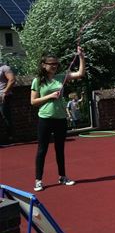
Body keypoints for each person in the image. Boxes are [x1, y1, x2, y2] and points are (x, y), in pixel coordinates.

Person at [31, 47, 86, 191]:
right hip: (45, 119)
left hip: (60, 118)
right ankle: (38, 180)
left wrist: (81, 57)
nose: (54, 66)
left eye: (56, 63)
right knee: (42, 150)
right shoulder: (38, 81)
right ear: (44, 65)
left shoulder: (61, 77)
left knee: (60, 149)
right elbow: (33, 101)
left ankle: (62, 176)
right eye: (51, 64)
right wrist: (50, 96)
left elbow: (80, 73)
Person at [0, 62, 16, 144]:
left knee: (5, 117)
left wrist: (4, 92)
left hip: (3, 97)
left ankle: (10, 138)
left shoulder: (5, 68)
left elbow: (12, 80)